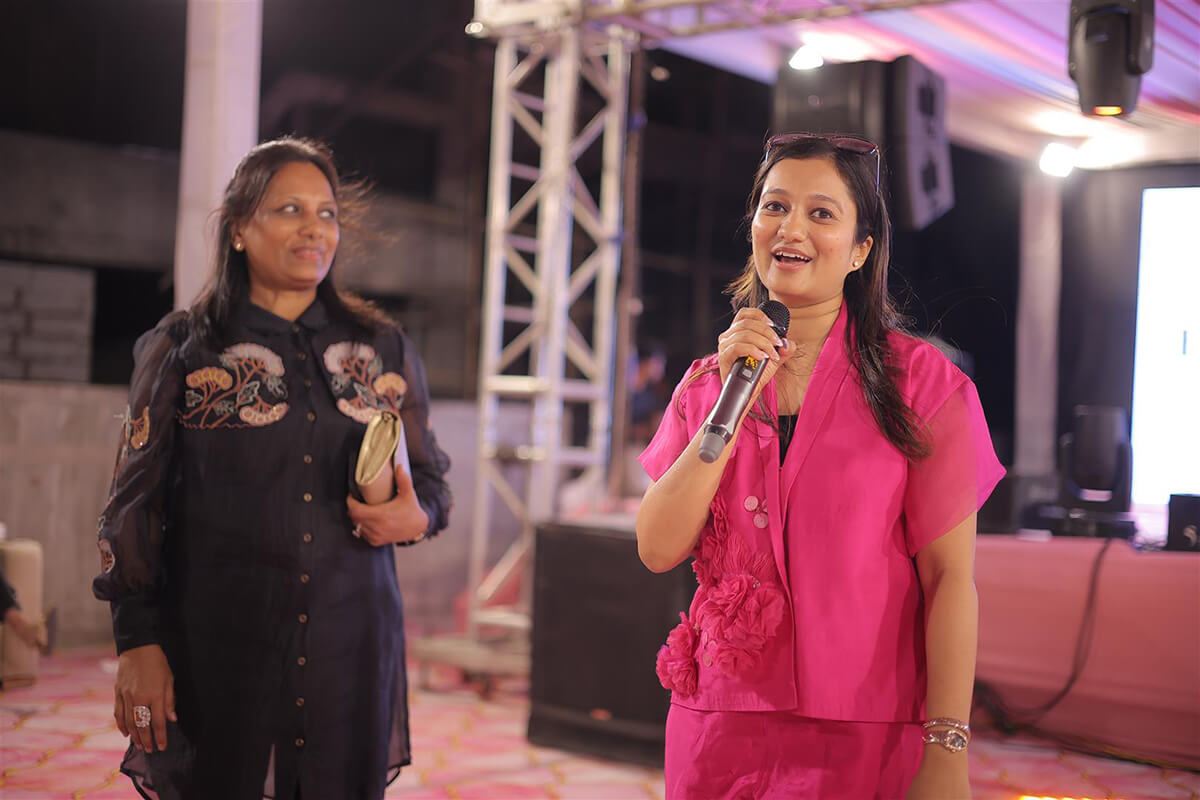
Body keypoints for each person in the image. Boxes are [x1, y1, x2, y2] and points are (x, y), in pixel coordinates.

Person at [635, 133, 1003, 799]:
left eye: (822, 213)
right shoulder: (707, 385)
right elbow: (658, 547)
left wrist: (947, 747)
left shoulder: (921, 384)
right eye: (774, 206)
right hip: (718, 726)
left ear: (861, 249)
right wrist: (726, 405)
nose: (791, 228)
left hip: (863, 730)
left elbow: (950, 579)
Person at [92, 137, 452, 800]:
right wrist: (137, 640)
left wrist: (416, 516)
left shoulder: (382, 348)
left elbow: (430, 485)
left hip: (352, 639)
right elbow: (134, 505)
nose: (315, 228)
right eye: (290, 209)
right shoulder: (185, 348)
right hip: (220, 638)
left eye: (327, 213)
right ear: (238, 229)